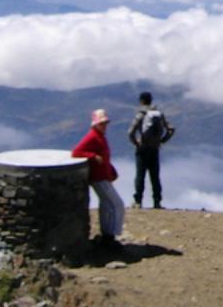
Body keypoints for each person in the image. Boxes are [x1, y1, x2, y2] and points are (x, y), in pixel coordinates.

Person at [72, 108, 125, 248]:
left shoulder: (100, 136)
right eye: (102, 123)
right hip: (98, 177)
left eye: (105, 123)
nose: (105, 125)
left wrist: (110, 170)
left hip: (103, 175)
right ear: (95, 124)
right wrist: (93, 157)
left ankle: (108, 235)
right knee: (116, 204)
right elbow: (77, 152)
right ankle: (110, 236)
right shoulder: (93, 136)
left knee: (107, 205)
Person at [128, 91, 172, 209]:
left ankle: (138, 202)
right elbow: (170, 129)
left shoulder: (141, 114)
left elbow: (130, 132)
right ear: (151, 100)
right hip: (154, 149)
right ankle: (157, 202)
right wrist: (162, 141)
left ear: (141, 101)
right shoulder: (159, 114)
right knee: (155, 177)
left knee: (140, 176)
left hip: (142, 149)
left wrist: (136, 143)